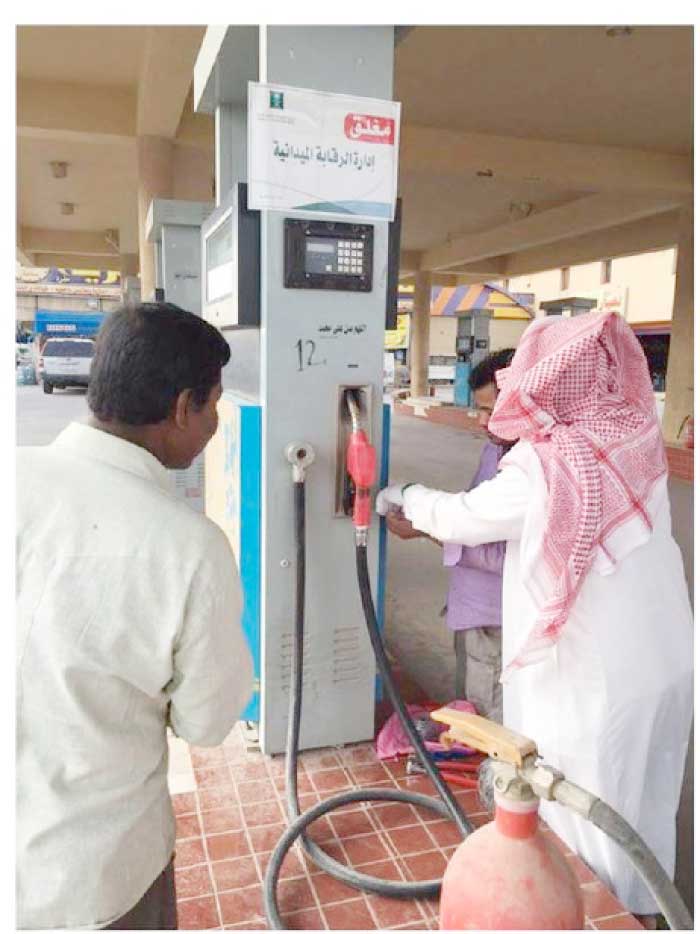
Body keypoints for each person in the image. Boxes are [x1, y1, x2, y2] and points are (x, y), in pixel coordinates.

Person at [376, 311, 692, 918]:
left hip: (593, 680)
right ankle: (648, 911)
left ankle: (597, 915)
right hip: (667, 662)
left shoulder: (546, 464)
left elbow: (463, 516)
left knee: (585, 815)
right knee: (646, 805)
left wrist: (400, 495)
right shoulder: (634, 441)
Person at [16, 303, 254, 930]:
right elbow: (205, 723)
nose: (215, 424)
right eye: (213, 406)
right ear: (182, 407)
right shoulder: (188, 546)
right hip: (97, 876)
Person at [386, 349, 516, 721]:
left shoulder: (531, 466)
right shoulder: (495, 449)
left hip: (498, 619)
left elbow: (508, 556)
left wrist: (427, 526)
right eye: (480, 410)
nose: (481, 422)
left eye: (491, 411)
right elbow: (472, 517)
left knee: (489, 722)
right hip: (472, 611)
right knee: (469, 710)